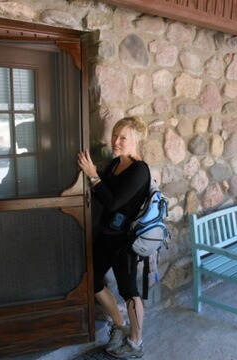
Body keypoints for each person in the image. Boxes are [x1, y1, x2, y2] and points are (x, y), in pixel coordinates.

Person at [77, 116, 150, 358]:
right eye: (114, 135)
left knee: (129, 291)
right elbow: (103, 195)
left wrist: (92, 174)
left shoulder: (140, 170)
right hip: (107, 235)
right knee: (93, 280)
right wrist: (94, 178)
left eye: (123, 137)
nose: (116, 141)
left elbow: (113, 201)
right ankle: (119, 325)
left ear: (136, 140)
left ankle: (136, 343)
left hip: (125, 242)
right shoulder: (115, 163)